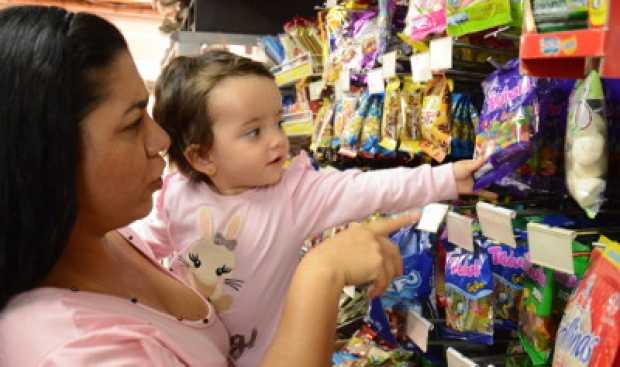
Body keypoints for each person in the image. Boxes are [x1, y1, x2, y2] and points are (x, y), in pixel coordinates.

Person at [0, 6, 413, 366]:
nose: (161, 141)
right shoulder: (69, 351)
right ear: (45, 153)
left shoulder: (124, 238)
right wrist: (322, 273)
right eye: (131, 124)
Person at [132, 49, 486, 366]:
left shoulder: (295, 193)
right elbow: (139, 255)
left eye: (278, 123)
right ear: (203, 156)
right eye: (254, 132)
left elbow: (369, 189)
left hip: (278, 355)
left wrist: (450, 178)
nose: (278, 139)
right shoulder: (175, 195)